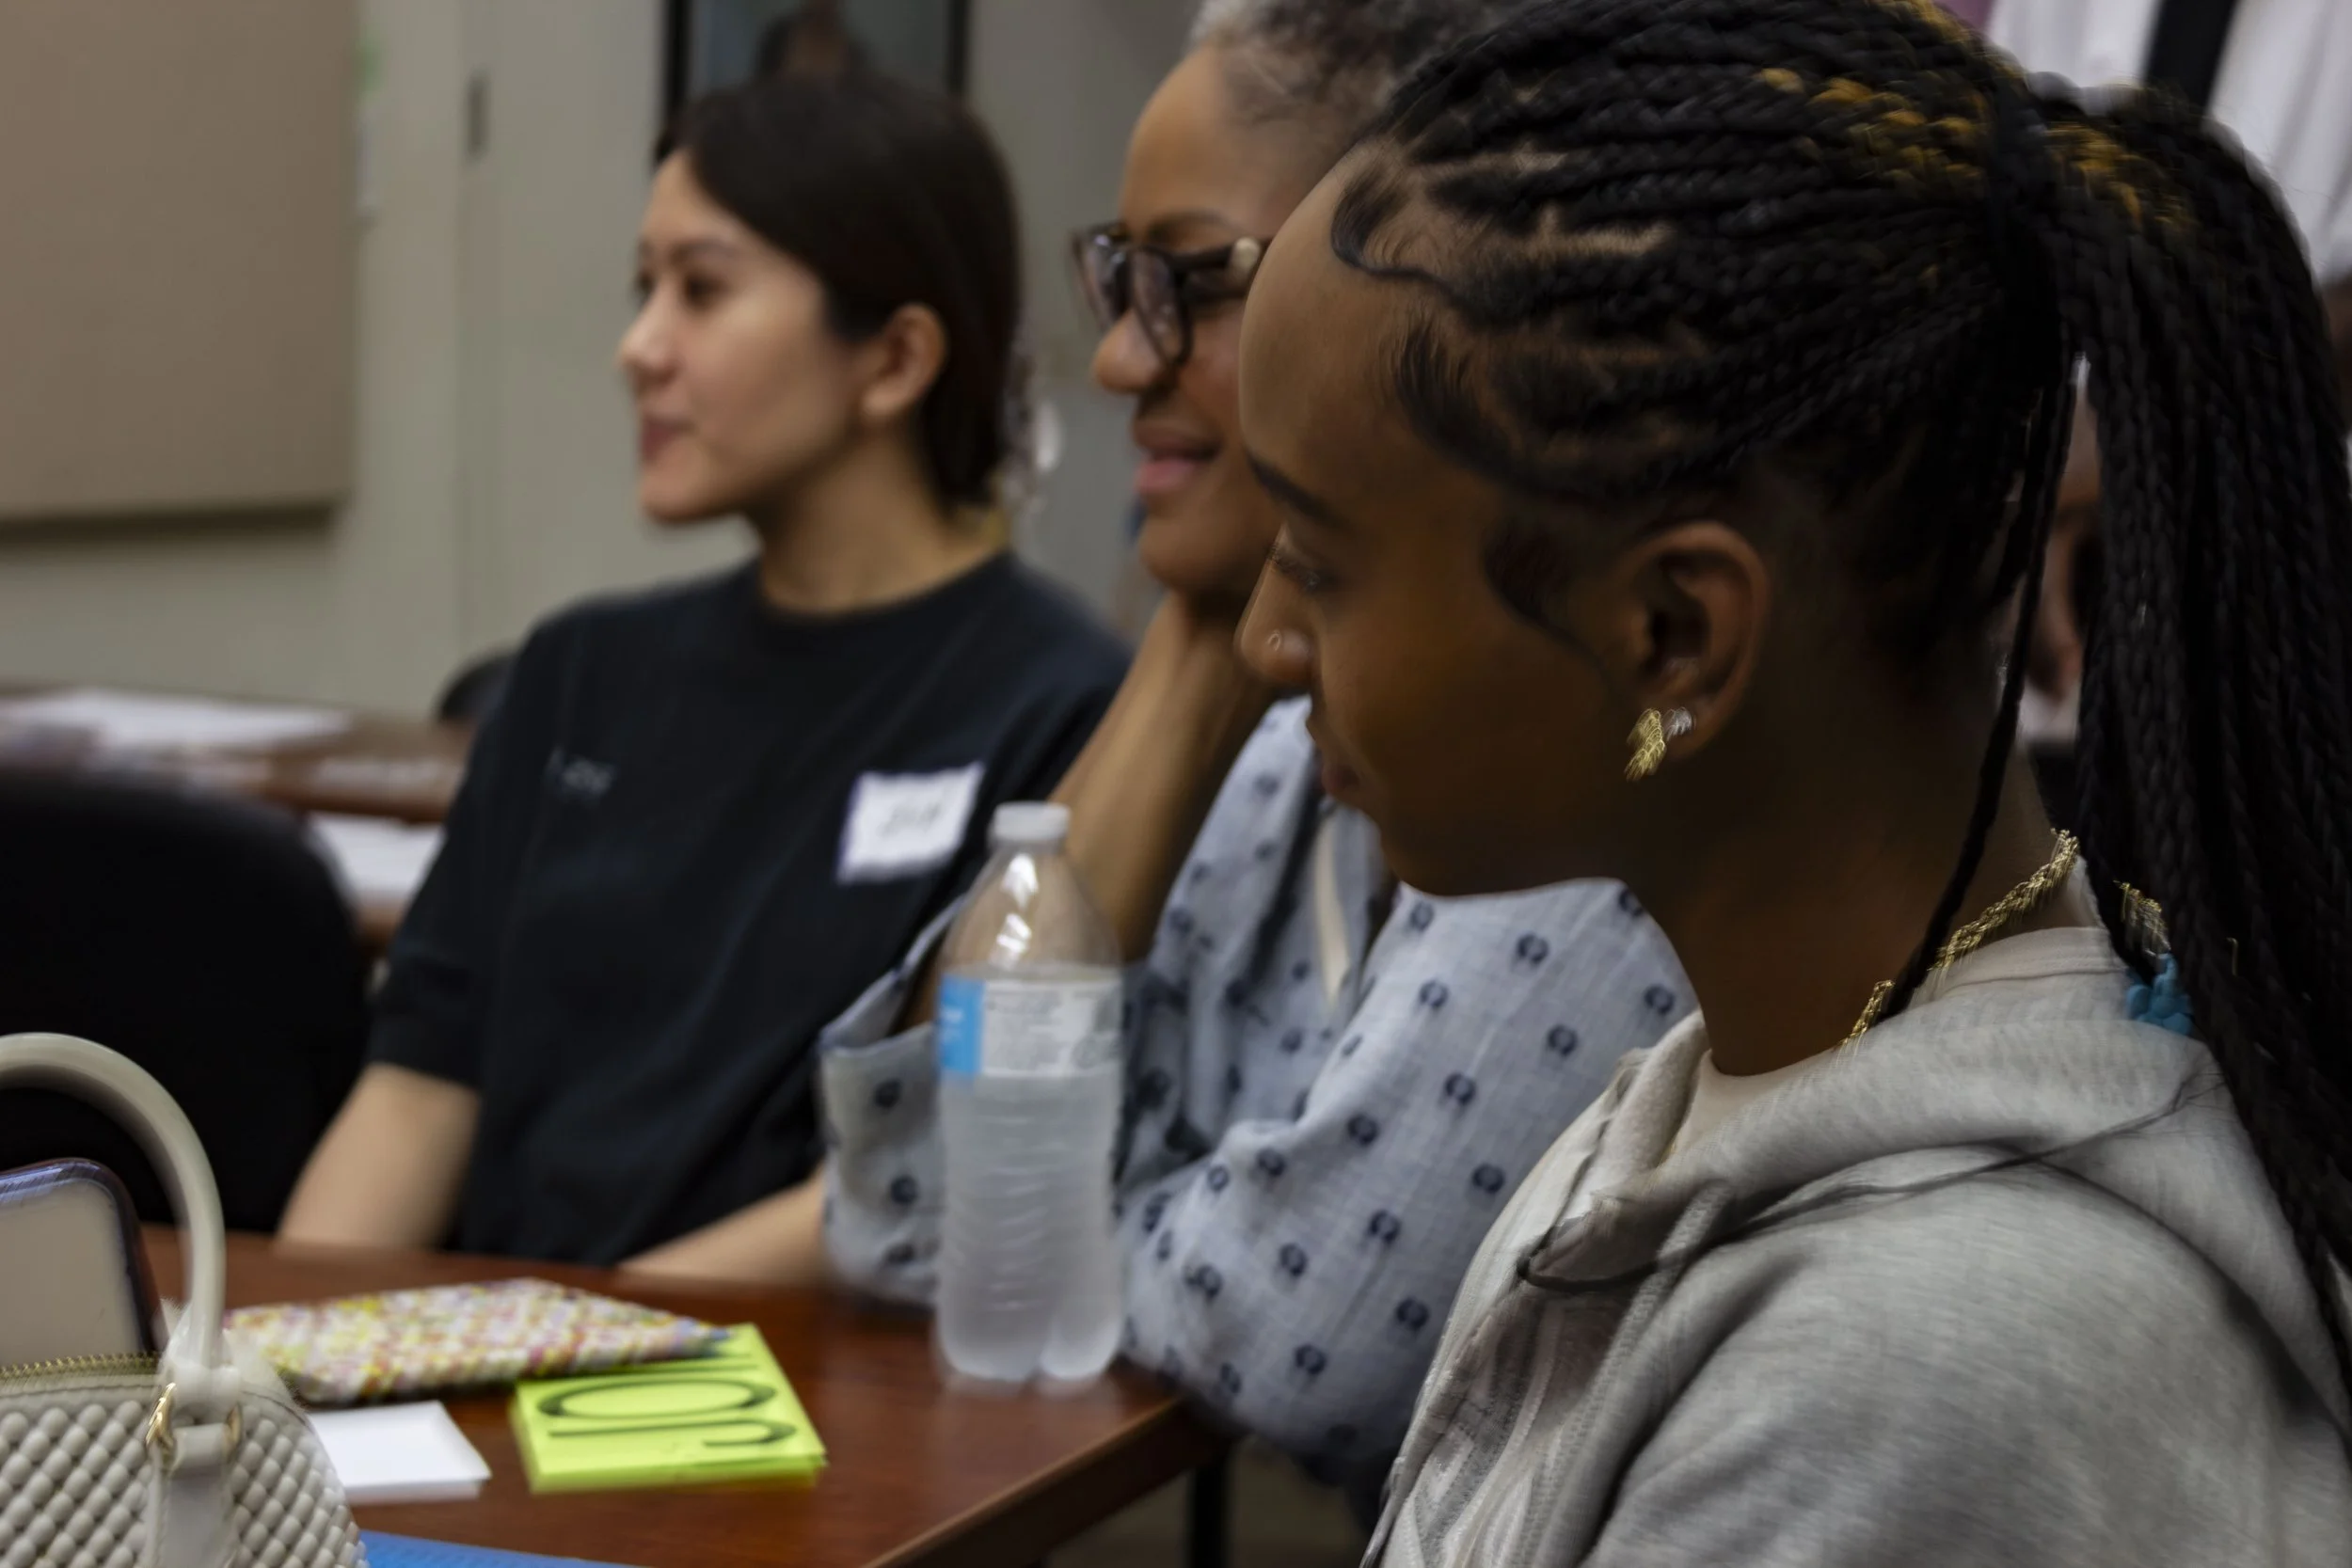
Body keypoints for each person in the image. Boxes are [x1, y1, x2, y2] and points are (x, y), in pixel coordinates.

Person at [1231, 0, 2352, 1560]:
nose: (1264, 639)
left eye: (1316, 557)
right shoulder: (1722, 1088)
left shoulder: (1912, 1359)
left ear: (1674, 634)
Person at [817, 0, 1690, 1501]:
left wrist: (1072, 1230)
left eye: (1189, 283)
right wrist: (1188, 651)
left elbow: (1314, 1333)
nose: (1116, 358)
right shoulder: (1281, 740)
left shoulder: (1583, 727)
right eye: (1118, 280)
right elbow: (903, 1212)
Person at [278, 71, 1126, 1277]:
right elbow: (419, 1086)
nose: (637, 349)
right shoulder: (576, 671)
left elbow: (931, 1174)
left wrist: (589, 1334)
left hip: (785, 1367)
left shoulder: (1062, 707)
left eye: (702, 289)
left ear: (894, 359)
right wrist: (276, 1345)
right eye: (645, 290)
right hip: (502, 1347)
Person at [1977, 0, 2352, 705]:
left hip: (2284, 610)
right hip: (2056, 622)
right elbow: (1990, 215)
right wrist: (2028, 478)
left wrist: (2129, 423)